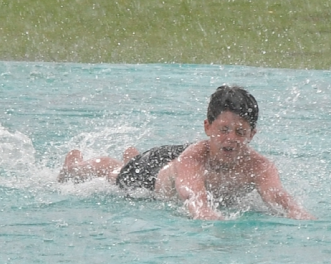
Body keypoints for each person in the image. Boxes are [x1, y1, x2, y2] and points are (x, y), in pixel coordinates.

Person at [58, 85, 315, 220]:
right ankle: (77, 165)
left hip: (181, 157)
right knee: (115, 173)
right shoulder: (192, 161)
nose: (231, 139)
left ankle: (131, 155)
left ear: (252, 135)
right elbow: (194, 195)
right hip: (153, 171)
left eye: (240, 132)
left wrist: (299, 214)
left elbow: (280, 197)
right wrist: (205, 214)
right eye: (223, 129)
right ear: (207, 127)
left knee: (134, 161)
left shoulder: (259, 166)